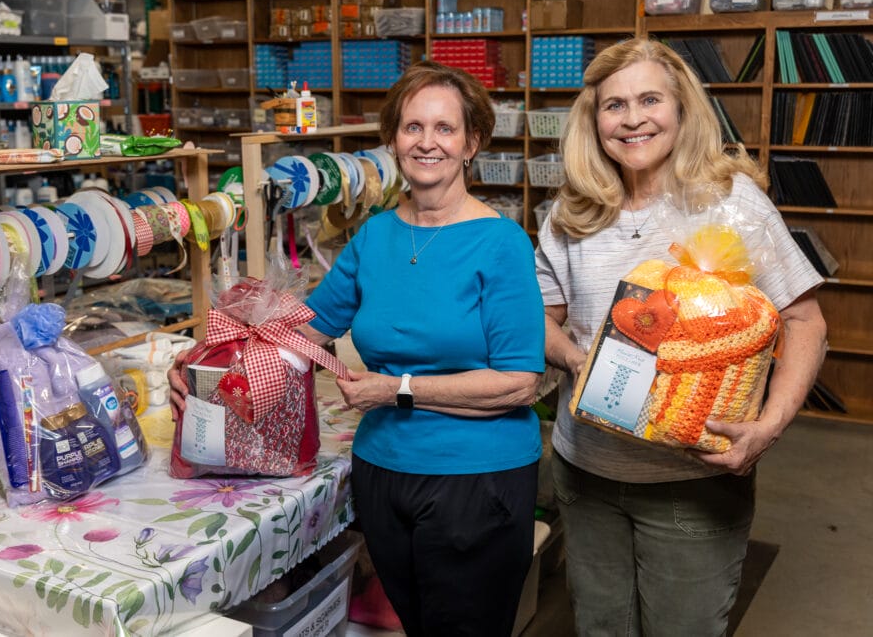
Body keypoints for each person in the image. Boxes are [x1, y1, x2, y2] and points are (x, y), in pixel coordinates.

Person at [535, 38, 827, 636]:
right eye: (614, 105)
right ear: (594, 121)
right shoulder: (571, 211)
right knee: (600, 627)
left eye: (650, 99)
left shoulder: (731, 204)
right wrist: (575, 358)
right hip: (585, 472)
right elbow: (544, 317)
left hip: (691, 484)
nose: (633, 118)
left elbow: (805, 322)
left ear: (682, 109)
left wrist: (765, 429)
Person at [300, 61, 546, 636]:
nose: (427, 142)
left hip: (477, 482)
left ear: (471, 144)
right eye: (413, 127)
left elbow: (518, 383)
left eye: (445, 128)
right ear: (392, 141)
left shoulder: (500, 242)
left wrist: (398, 389)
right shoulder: (377, 234)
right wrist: (214, 356)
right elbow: (306, 327)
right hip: (384, 473)